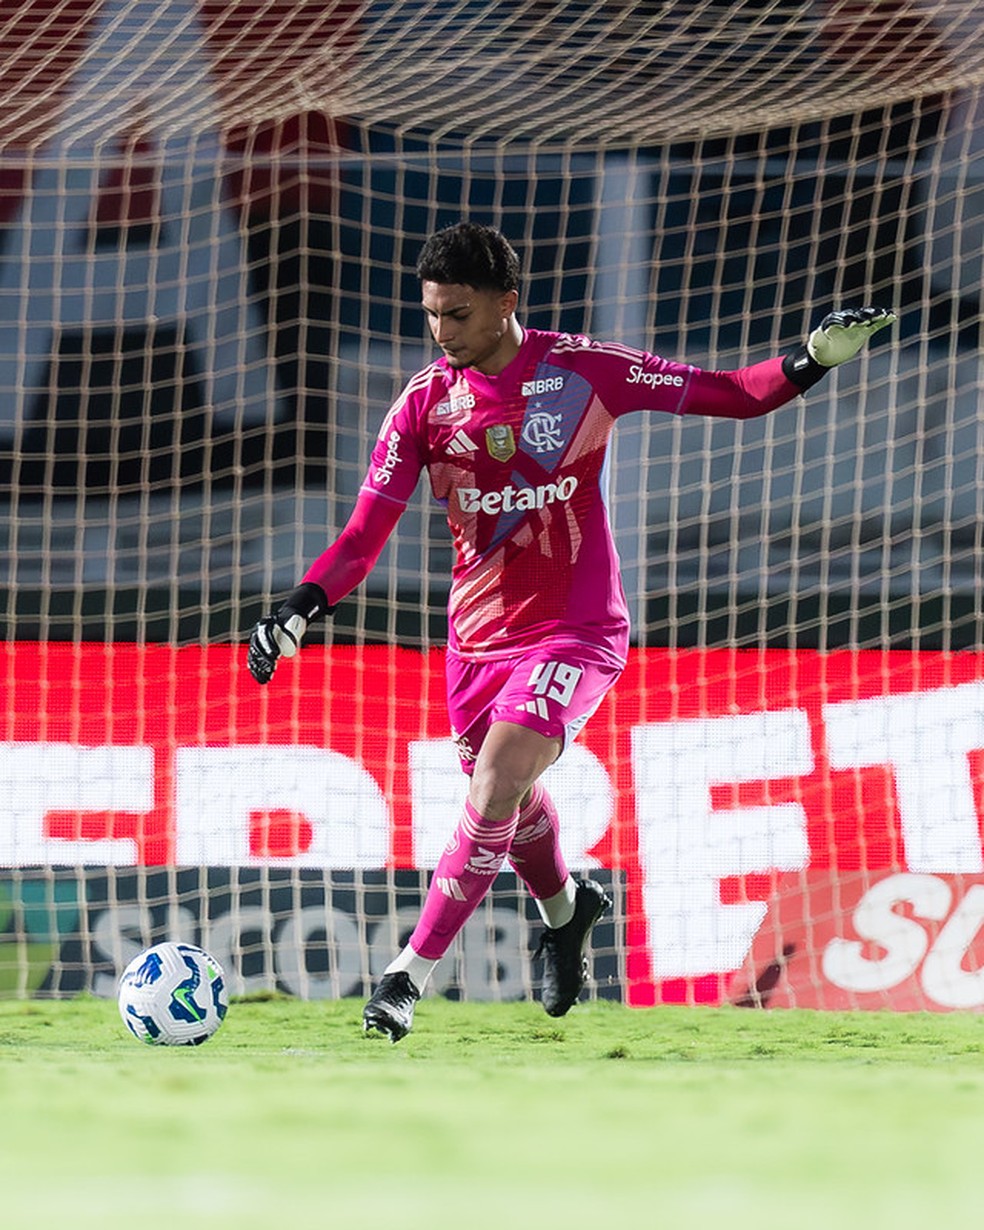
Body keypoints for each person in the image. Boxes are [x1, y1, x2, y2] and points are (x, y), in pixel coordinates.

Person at [247, 220, 895, 1042]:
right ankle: (568, 907)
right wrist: (300, 605)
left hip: (577, 630)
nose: (441, 334)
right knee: (508, 805)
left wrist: (810, 359)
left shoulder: (583, 371)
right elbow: (364, 533)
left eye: (457, 314)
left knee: (495, 782)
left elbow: (730, 393)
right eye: (432, 315)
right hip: (476, 644)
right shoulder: (422, 406)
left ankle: (405, 978)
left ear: (506, 304)